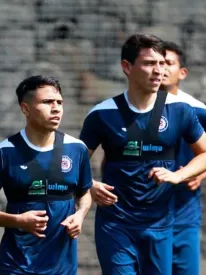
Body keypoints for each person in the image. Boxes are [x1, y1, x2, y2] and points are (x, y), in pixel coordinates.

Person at [80, 34, 206, 275]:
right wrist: (90, 185)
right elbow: (75, 163)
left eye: (162, 63)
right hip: (116, 224)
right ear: (126, 67)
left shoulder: (181, 110)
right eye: (149, 63)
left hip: (161, 224)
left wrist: (179, 176)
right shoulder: (102, 114)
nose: (158, 70)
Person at [0, 75, 93, 275]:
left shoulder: (76, 149)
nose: (56, 108)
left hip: (62, 267)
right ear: (25, 108)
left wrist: (80, 216)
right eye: (47, 102)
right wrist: (18, 220)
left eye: (59, 102)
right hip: (18, 265)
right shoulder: (3, 153)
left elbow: (85, 193)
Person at [160, 41, 206, 275]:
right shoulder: (132, 110)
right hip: (144, 215)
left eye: (169, 63)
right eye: (157, 63)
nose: (162, 68)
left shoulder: (198, 111)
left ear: (183, 72)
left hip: (184, 212)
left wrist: (202, 173)